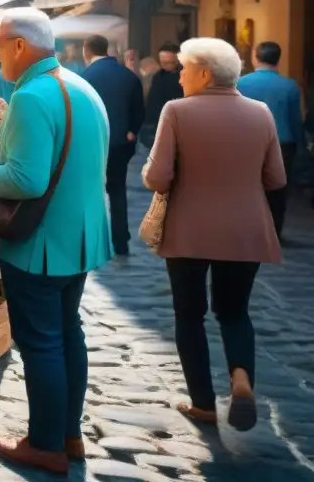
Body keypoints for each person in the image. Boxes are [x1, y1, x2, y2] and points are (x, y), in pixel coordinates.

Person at [0, 8, 112, 475]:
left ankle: (44, 445)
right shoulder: (80, 86)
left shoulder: (30, 96)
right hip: (80, 239)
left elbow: (25, 180)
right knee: (69, 333)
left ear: (20, 46)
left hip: (40, 242)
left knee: (41, 342)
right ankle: (69, 433)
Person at [143, 37, 286, 432]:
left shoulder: (177, 111)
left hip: (189, 229)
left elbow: (157, 177)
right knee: (235, 311)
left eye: (185, 70)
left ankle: (204, 403)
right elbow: (276, 178)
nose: (180, 79)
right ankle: (241, 378)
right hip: (245, 230)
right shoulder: (261, 113)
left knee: (189, 314)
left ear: (204, 73)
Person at [82, 34, 145, 255]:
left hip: (92, 144)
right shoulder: (128, 76)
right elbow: (139, 109)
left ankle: (93, 240)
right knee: (117, 189)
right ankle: (120, 240)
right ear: (106, 49)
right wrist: (131, 132)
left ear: (86, 51)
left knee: (91, 190)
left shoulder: (84, 77)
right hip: (120, 143)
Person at [238, 41, 303, 228]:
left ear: (255, 57)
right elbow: (295, 119)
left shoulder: (241, 83)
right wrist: (301, 145)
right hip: (283, 144)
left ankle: (248, 229)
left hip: (247, 143)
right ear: (278, 59)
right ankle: (274, 231)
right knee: (278, 190)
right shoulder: (290, 86)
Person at [142, 42, 184, 146]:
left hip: (174, 125)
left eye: (170, 62)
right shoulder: (158, 75)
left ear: (178, 60)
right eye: (163, 62)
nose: (166, 65)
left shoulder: (184, 77)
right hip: (153, 124)